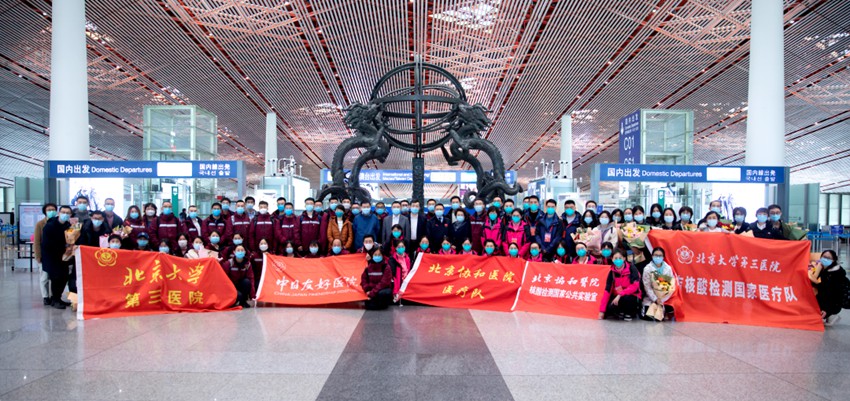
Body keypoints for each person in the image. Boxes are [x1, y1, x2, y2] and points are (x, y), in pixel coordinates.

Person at [41, 205, 74, 309]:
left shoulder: (68, 226)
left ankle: (58, 298)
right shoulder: (50, 225)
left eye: (68, 213)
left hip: (64, 257)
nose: (65, 214)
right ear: (59, 213)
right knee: (56, 278)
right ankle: (55, 300)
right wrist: (63, 247)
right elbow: (47, 243)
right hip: (52, 257)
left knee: (64, 277)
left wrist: (70, 247)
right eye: (63, 212)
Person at [598, 249, 642, 321]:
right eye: (615, 258)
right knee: (610, 308)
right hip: (618, 297)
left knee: (627, 299)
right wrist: (602, 311)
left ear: (624, 258)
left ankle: (629, 313)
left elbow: (635, 286)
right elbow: (607, 291)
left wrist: (620, 294)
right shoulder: (611, 272)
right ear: (612, 259)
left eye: (620, 258)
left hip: (632, 296)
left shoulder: (632, 269)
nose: (618, 260)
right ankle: (621, 312)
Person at [811, 250, 846, 326]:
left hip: (834, 301)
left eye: (828, 258)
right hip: (823, 295)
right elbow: (815, 281)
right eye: (823, 257)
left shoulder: (837, 273)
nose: (825, 259)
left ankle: (831, 314)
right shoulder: (822, 268)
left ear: (833, 260)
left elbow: (834, 293)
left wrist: (827, 309)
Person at [642, 247, 676, 321]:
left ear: (663, 257)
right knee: (648, 315)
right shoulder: (647, 269)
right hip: (651, 297)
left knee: (670, 307)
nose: (658, 257)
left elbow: (671, 285)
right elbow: (647, 287)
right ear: (652, 256)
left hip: (665, 298)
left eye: (660, 256)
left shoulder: (668, 268)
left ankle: (663, 310)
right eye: (656, 255)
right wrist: (655, 299)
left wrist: (662, 299)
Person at [34, 203, 57, 305]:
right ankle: (45, 297)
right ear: (45, 212)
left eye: (53, 209)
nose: (51, 211)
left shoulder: (58, 222)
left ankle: (54, 296)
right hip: (44, 254)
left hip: (55, 255)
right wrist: (38, 255)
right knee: (44, 277)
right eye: (49, 210)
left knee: (55, 277)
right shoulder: (40, 224)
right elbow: (37, 241)